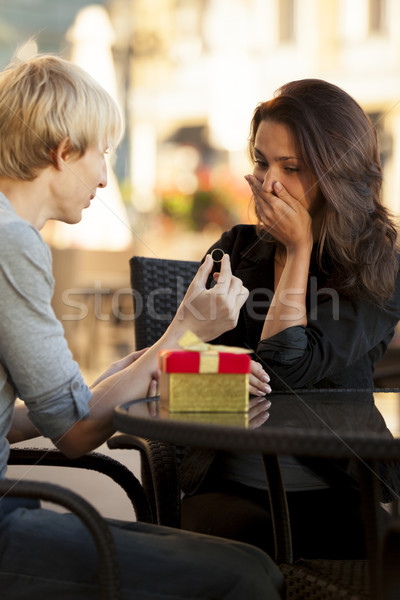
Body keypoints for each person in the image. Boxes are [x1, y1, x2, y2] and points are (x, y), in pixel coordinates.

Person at [0, 53, 284, 599]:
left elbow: (27, 416)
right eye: (102, 153)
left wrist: (100, 385)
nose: (106, 178)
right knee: (248, 574)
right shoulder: (14, 245)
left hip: (15, 502)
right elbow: (78, 435)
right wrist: (182, 330)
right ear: (63, 152)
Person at [179, 78, 400, 560]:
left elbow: (286, 367)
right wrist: (212, 379)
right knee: (252, 551)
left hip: (337, 486)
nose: (269, 182)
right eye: (261, 161)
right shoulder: (234, 250)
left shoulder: (379, 269)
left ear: (336, 174)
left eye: (292, 167)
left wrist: (298, 250)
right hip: (229, 488)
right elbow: (176, 381)